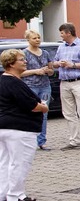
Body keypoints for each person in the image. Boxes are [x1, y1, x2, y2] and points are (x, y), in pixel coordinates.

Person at [0, 49, 49, 201]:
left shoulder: (2, 80)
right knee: (20, 163)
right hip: (20, 129)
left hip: (4, 127)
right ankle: (16, 195)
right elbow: (31, 105)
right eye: (21, 59)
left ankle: (3, 194)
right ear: (11, 64)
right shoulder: (14, 83)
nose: (25, 61)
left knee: (5, 163)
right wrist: (43, 107)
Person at [52, 23, 80, 151]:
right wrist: (58, 63)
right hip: (64, 82)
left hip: (79, 81)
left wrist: (73, 65)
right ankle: (74, 140)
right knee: (68, 113)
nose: (60, 35)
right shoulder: (61, 47)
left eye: (62, 33)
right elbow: (54, 62)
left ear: (68, 33)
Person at [20, 30, 54, 151]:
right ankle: (29, 140)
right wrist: (35, 71)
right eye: (34, 38)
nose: (37, 40)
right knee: (30, 112)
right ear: (28, 40)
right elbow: (20, 73)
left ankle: (41, 141)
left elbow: (52, 70)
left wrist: (48, 71)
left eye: (39, 37)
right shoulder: (24, 54)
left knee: (43, 112)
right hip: (30, 86)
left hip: (45, 86)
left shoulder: (45, 53)